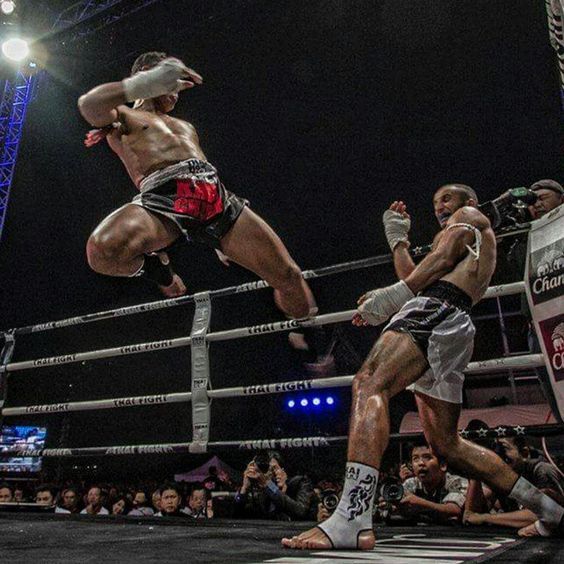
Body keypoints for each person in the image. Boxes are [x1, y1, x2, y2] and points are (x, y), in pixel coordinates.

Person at [282, 184, 564, 550]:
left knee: (369, 384)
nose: (440, 207)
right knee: (447, 445)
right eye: (435, 203)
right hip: (451, 320)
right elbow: (423, 274)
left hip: (436, 312)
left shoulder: (471, 217)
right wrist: (398, 239)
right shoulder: (458, 238)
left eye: (447, 198)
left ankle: (351, 517)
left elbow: (439, 263)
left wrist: (392, 296)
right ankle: (551, 511)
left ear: (469, 202)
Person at [77, 51, 316, 320]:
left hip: (215, 197)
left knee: (289, 276)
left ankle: (308, 336)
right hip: (163, 198)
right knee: (102, 251)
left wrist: (218, 240)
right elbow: (88, 105)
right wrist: (147, 83)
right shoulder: (123, 117)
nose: (177, 93)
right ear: (146, 72)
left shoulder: (185, 125)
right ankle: (158, 270)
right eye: (170, 80)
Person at [396, 441, 467, 524]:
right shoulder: (411, 483)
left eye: (428, 457)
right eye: (415, 458)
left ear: (443, 465)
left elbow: (454, 510)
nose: (420, 463)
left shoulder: (457, 482)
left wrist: (421, 504)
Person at [234, 451, 314, 521]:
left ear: (283, 470)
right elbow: (237, 515)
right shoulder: (261, 490)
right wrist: (244, 488)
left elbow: (300, 511)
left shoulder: (300, 482)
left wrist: (268, 484)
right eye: (265, 469)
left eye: (274, 468)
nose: (270, 473)